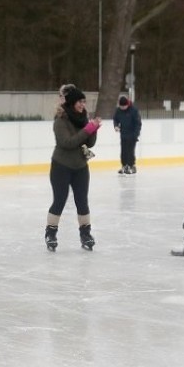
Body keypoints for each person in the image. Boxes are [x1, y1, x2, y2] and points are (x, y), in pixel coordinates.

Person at [45, 86, 102, 251]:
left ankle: (86, 234)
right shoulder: (60, 120)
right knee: (59, 201)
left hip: (80, 167)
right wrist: (88, 129)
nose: (82, 105)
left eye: (84, 101)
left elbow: (89, 143)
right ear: (71, 102)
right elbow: (67, 143)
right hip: (61, 167)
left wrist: (93, 129)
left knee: (82, 201)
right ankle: (51, 233)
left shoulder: (83, 118)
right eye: (79, 101)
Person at [113, 95, 142, 174]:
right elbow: (115, 118)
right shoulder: (118, 110)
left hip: (132, 134)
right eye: (121, 106)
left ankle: (132, 166)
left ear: (127, 104)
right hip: (123, 134)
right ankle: (124, 166)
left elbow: (138, 123)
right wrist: (115, 126)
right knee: (123, 151)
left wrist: (136, 135)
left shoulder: (134, 110)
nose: (122, 108)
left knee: (130, 151)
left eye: (124, 106)